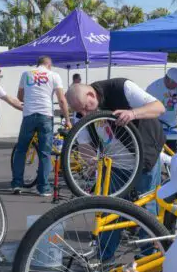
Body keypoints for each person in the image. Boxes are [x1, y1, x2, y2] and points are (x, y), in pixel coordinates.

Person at [64, 81, 165, 209]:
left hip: (144, 158)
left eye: (85, 107)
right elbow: (84, 144)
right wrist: (91, 159)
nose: (84, 114)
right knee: (112, 211)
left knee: (146, 208)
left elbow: (159, 107)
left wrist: (133, 113)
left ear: (91, 95)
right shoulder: (81, 112)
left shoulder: (121, 88)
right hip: (115, 167)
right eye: (80, 111)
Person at [11, 56, 70, 197]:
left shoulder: (26, 74)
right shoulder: (54, 75)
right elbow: (61, 100)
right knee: (45, 152)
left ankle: (17, 184)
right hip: (45, 115)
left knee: (21, 150)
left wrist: (31, 100)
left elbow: (19, 96)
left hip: (29, 115)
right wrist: (67, 119)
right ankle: (43, 188)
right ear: (49, 65)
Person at [146, 68, 177, 149]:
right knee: (156, 151)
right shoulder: (153, 88)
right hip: (157, 127)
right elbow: (146, 107)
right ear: (168, 79)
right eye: (175, 83)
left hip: (172, 126)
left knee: (171, 151)